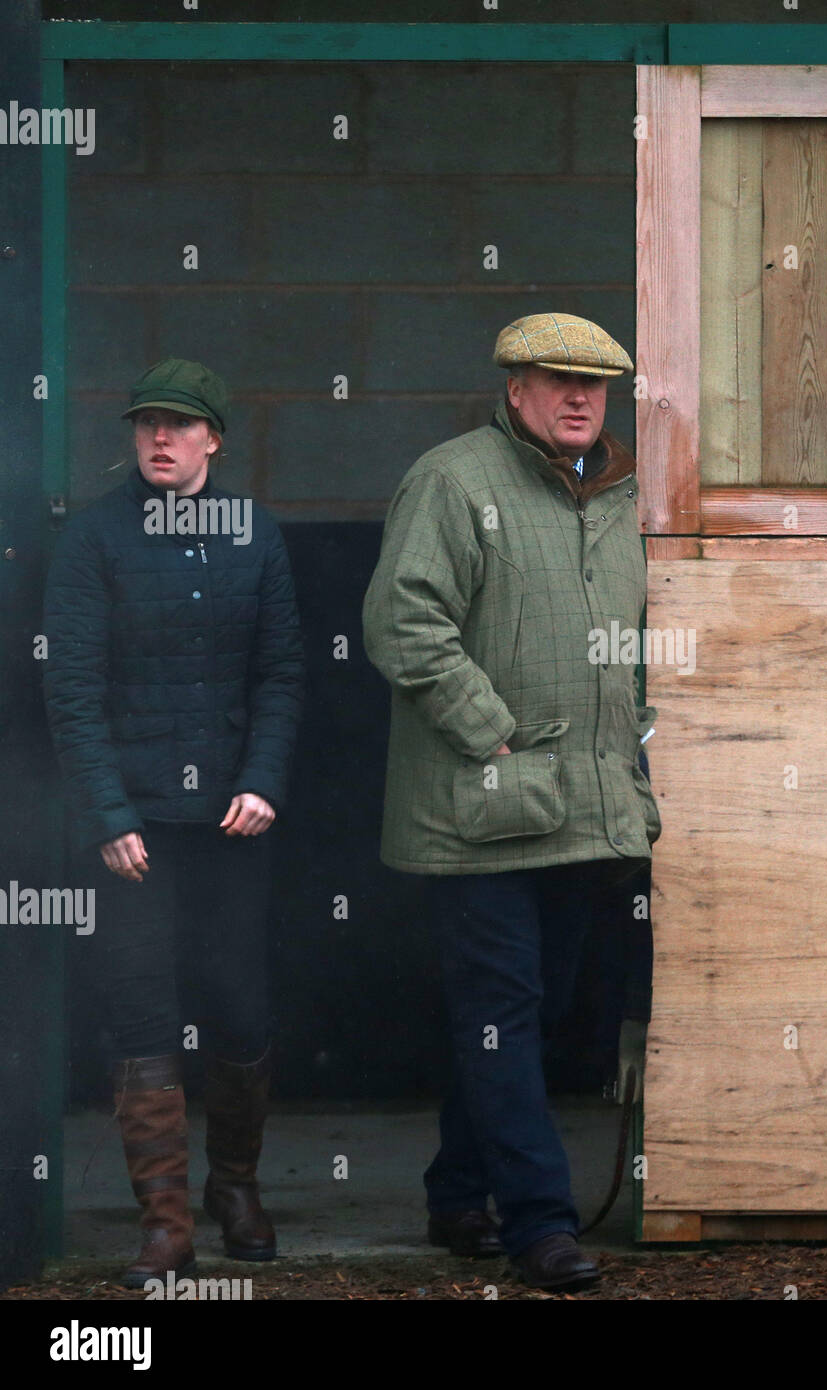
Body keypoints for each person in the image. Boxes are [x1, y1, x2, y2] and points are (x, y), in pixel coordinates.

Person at [363, 312, 661, 1292]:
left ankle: (458, 1192)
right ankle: (541, 1222)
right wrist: (487, 726)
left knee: (522, 1021)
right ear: (514, 389)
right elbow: (402, 624)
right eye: (555, 381)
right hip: (479, 811)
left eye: (595, 385)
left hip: (581, 810)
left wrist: (637, 746)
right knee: (504, 1009)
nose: (580, 399)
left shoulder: (614, 497)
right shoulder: (453, 481)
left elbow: (632, 641)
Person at [42, 358, 305, 1288]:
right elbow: (70, 689)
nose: (160, 439)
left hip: (232, 820)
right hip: (134, 829)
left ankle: (235, 1189)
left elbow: (279, 673)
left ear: (214, 440)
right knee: (142, 1010)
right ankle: (164, 1222)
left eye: (180, 426)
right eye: (147, 423)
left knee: (239, 1005)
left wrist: (265, 781)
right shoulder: (94, 540)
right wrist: (108, 814)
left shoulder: (255, 534)